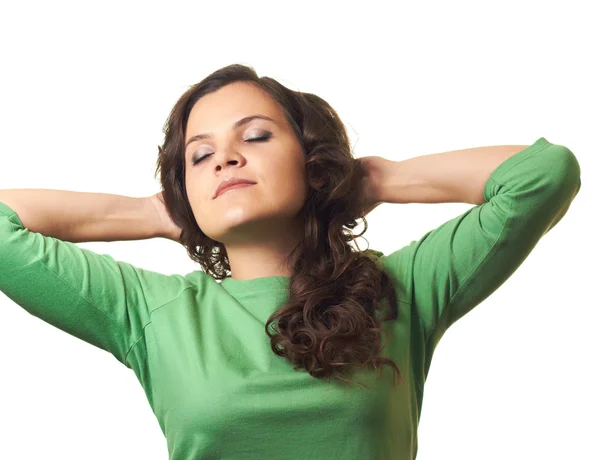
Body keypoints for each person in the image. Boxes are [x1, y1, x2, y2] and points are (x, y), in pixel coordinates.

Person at [0, 63, 581, 460]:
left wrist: (374, 177)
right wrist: (152, 214)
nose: (225, 158)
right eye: (198, 156)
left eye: (255, 136)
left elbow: (543, 174)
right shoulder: (153, 312)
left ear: (312, 161)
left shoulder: (399, 289)